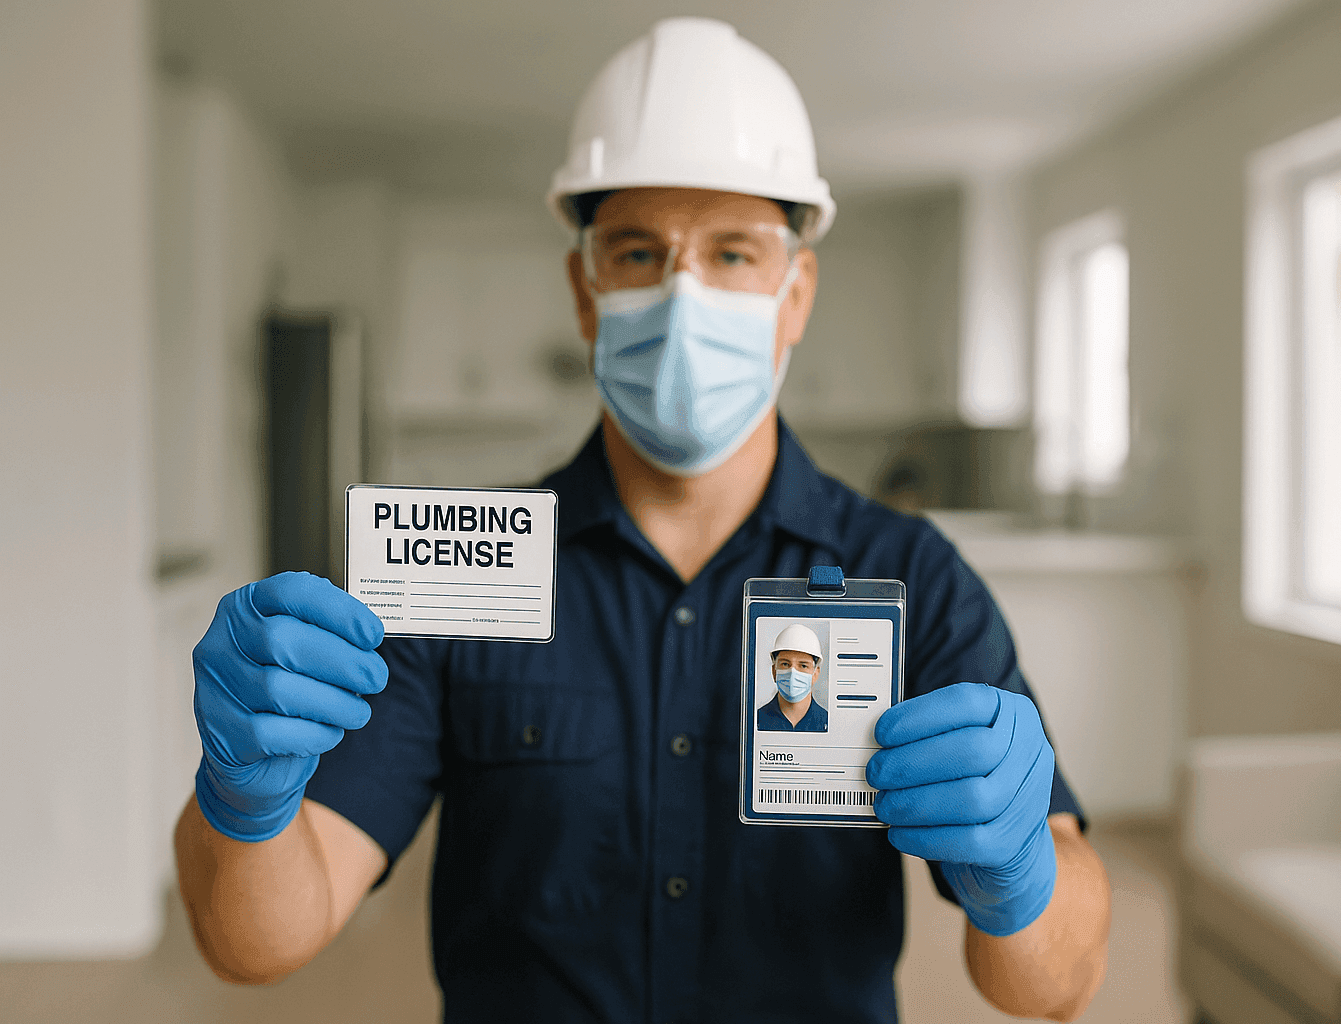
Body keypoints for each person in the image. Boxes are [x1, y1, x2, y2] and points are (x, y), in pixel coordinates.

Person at [174, 17, 1110, 1023]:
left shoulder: (912, 575)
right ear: (585, 289)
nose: (683, 293)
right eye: (637, 251)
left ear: (796, 294)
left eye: (735, 252)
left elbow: (1055, 986)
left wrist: (1023, 875)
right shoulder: (462, 577)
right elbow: (257, 943)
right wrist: (242, 798)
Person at [757, 623, 828, 732]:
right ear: (774, 671)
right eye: (785, 664)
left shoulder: (827, 723)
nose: (792, 673)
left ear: (815, 674)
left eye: (803, 666)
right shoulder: (756, 721)